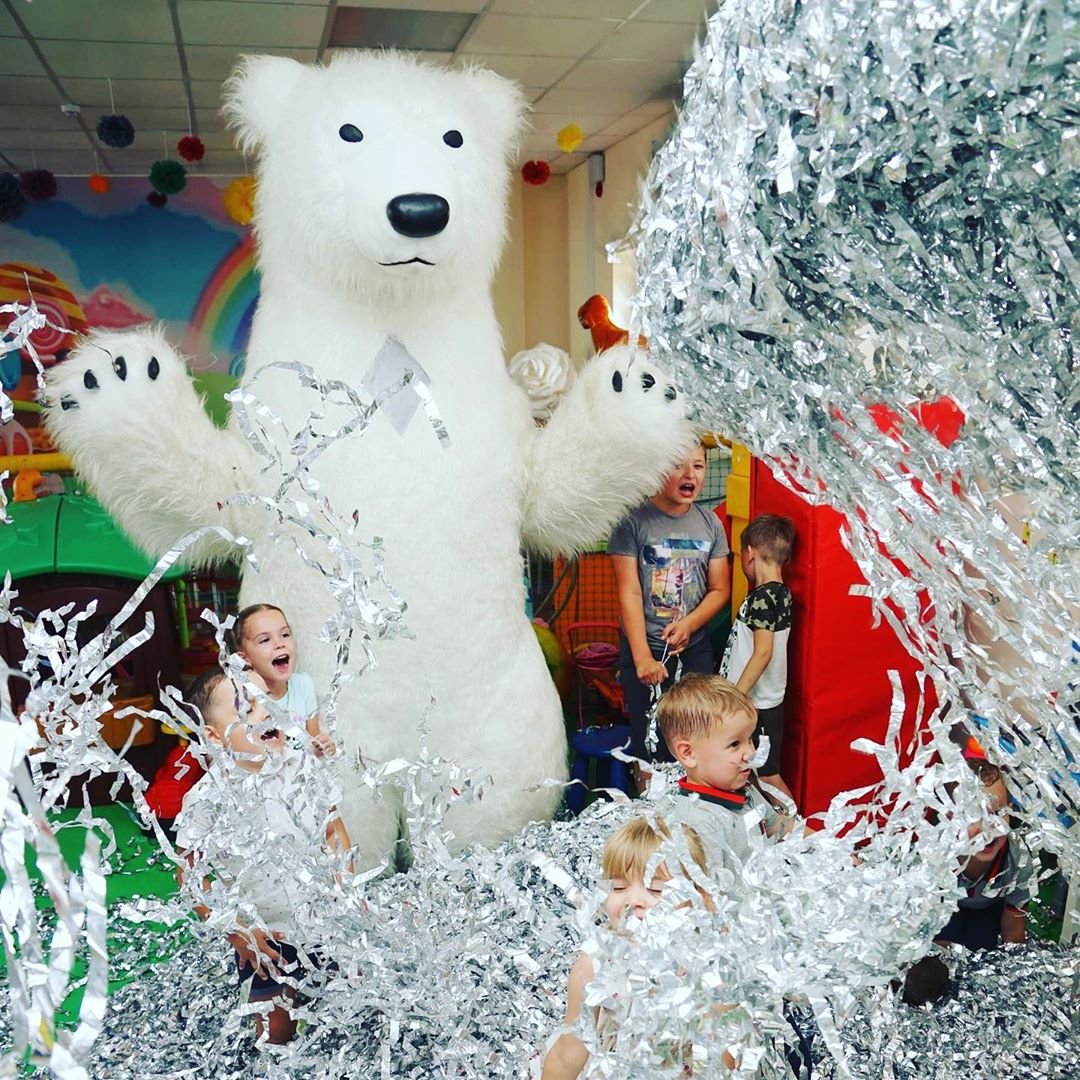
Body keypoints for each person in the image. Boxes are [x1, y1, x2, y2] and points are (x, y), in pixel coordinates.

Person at [175, 668, 352, 1046]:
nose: (264, 710)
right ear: (213, 736)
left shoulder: (303, 765)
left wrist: (345, 886)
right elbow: (188, 871)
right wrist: (235, 930)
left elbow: (334, 829)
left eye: (264, 699)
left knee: (338, 1016)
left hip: (326, 922)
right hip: (266, 938)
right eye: (247, 708)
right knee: (276, 1030)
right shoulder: (208, 799)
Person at [541, 815, 724, 1080]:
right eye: (619, 887)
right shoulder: (595, 965)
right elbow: (566, 1055)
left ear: (699, 899)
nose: (635, 899)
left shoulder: (709, 966)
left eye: (657, 889)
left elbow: (731, 1059)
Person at [609, 445, 731, 765]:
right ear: (658, 467)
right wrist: (642, 659)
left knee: (696, 734)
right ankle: (649, 811)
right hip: (645, 647)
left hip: (694, 649)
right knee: (649, 742)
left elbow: (720, 589)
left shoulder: (711, 525)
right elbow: (629, 593)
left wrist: (689, 625)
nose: (690, 474)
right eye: (678, 465)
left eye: (699, 466)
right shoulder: (632, 522)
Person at [657, 675, 800, 876]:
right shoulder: (698, 822)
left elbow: (782, 827)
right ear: (688, 753)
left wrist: (829, 846)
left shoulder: (746, 791)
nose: (750, 753)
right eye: (734, 744)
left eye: (749, 739)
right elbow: (710, 896)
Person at [719, 514, 796, 802]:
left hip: (757, 704)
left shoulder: (763, 598)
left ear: (749, 552)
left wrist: (735, 696)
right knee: (754, 772)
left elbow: (763, 652)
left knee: (767, 775)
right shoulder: (781, 594)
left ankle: (798, 835)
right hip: (763, 702)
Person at [935, 755, 1031, 950]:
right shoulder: (933, 853)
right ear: (949, 818)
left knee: (983, 950)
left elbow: (1013, 931)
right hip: (943, 906)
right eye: (973, 815)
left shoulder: (1018, 859)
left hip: (988, 909)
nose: (988, 828)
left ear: (1010, 812)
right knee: (932, 958)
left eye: (997, 813)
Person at [235, 603, 335, 756]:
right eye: (264, 640)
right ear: (245, 658)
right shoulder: (246, 699)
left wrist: (323, 746)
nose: (279, 644)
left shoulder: (303, 685)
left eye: (285, 635)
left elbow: (313, 741)